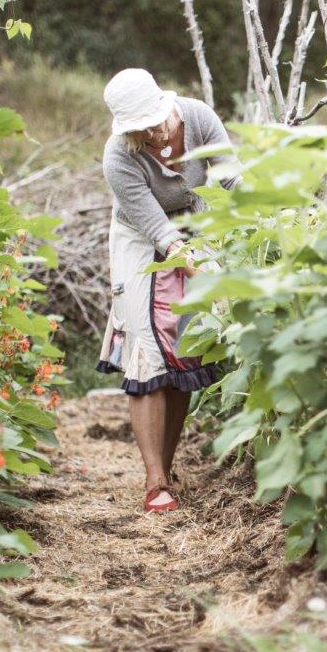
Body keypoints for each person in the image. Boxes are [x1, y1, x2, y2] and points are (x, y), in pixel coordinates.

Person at [96, 68, 237, 513]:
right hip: (141, 235)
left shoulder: (199, 118)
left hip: (194, 222)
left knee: (186, 343)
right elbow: (160, 232)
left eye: (156, 123)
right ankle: (153, 478)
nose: (153, 135)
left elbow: (233, 178)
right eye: (141, 130)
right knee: (147, 346)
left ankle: (168, 467)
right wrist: (199, 270)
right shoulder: (118, 157)